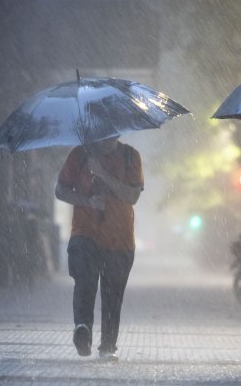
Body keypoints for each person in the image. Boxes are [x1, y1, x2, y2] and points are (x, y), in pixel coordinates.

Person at [55, 136, 143, 362]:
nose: (108, 133)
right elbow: (61, 191)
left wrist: (103, 174)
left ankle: (108, 345)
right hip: (85, 233)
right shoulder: (80, 154)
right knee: (85, 281)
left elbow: (132, 196)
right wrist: (87, 201)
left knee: (113, 295)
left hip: (120, 239)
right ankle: (82, 328)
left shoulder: (130, 156)